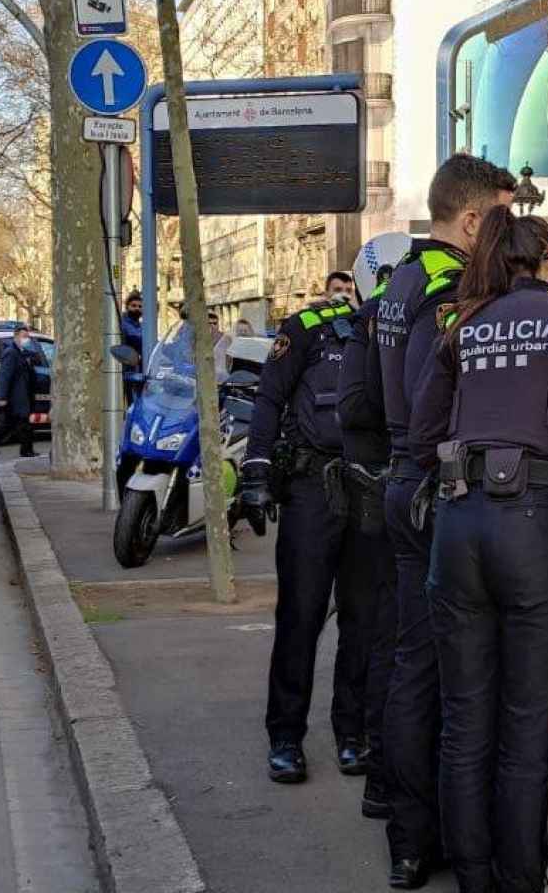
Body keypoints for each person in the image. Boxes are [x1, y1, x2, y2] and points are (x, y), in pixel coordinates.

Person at [409, 209, 548, 893]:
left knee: (466, 718)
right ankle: (520, 876)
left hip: (459, 523)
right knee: (528, 724)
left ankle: (472, 876)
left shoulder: (460, 325)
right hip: (537, 526)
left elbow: (421, 432)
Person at [372, 154, 517, 889]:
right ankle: (441, 839)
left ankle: (406, 837)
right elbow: (445, 401)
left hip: (401, 481)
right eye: (502, 217)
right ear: (470, 221)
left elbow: (370, 400)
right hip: (440, 488)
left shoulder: (398, 278)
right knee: (453, 675)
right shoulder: (454, 288)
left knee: (411, 662)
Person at [238, 295, 357, 784]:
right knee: (301, 616)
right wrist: (256, 469)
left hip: (370, 487)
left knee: (365, 620)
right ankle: (286, 735)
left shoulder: (390, 331)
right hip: (312, 490)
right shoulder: (310, 327)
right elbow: (269, 398)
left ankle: (353, 733)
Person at [339, 248, 400, 820]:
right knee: (379, 629)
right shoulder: (369, 322)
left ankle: (383, 771)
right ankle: (373, 760)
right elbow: (353, 408)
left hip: (402, 495)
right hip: (379, 494)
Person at [0, 326, 39, 458]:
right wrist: (2, 397)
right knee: (23, 424)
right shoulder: (11, 353)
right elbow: (4, 376)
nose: (26, 339)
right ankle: (26, 450)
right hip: (16, 395)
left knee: (9, 423)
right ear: (16, 337)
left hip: (21, 394)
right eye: (23, 336)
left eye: (27, 337)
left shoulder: (22, 352)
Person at [121, 291, 145, 403]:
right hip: (126, 370)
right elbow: (136, 338)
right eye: (134, 306)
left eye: (140, 306)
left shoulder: (140, 325)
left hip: (138, 369)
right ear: (127, 306)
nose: (137, 309)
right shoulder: (124, 323)